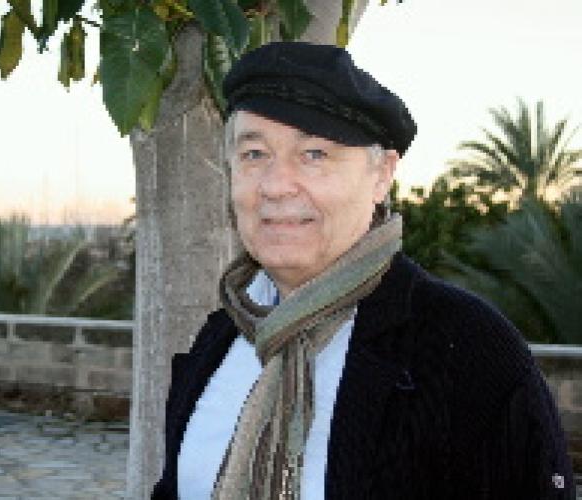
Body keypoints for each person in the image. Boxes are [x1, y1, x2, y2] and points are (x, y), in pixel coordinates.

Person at [151, 42, 574, 500]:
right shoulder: (219, 339)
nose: (275, 185)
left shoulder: (465, 350)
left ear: (382, 175)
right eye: (254, 154)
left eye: (314, 154)